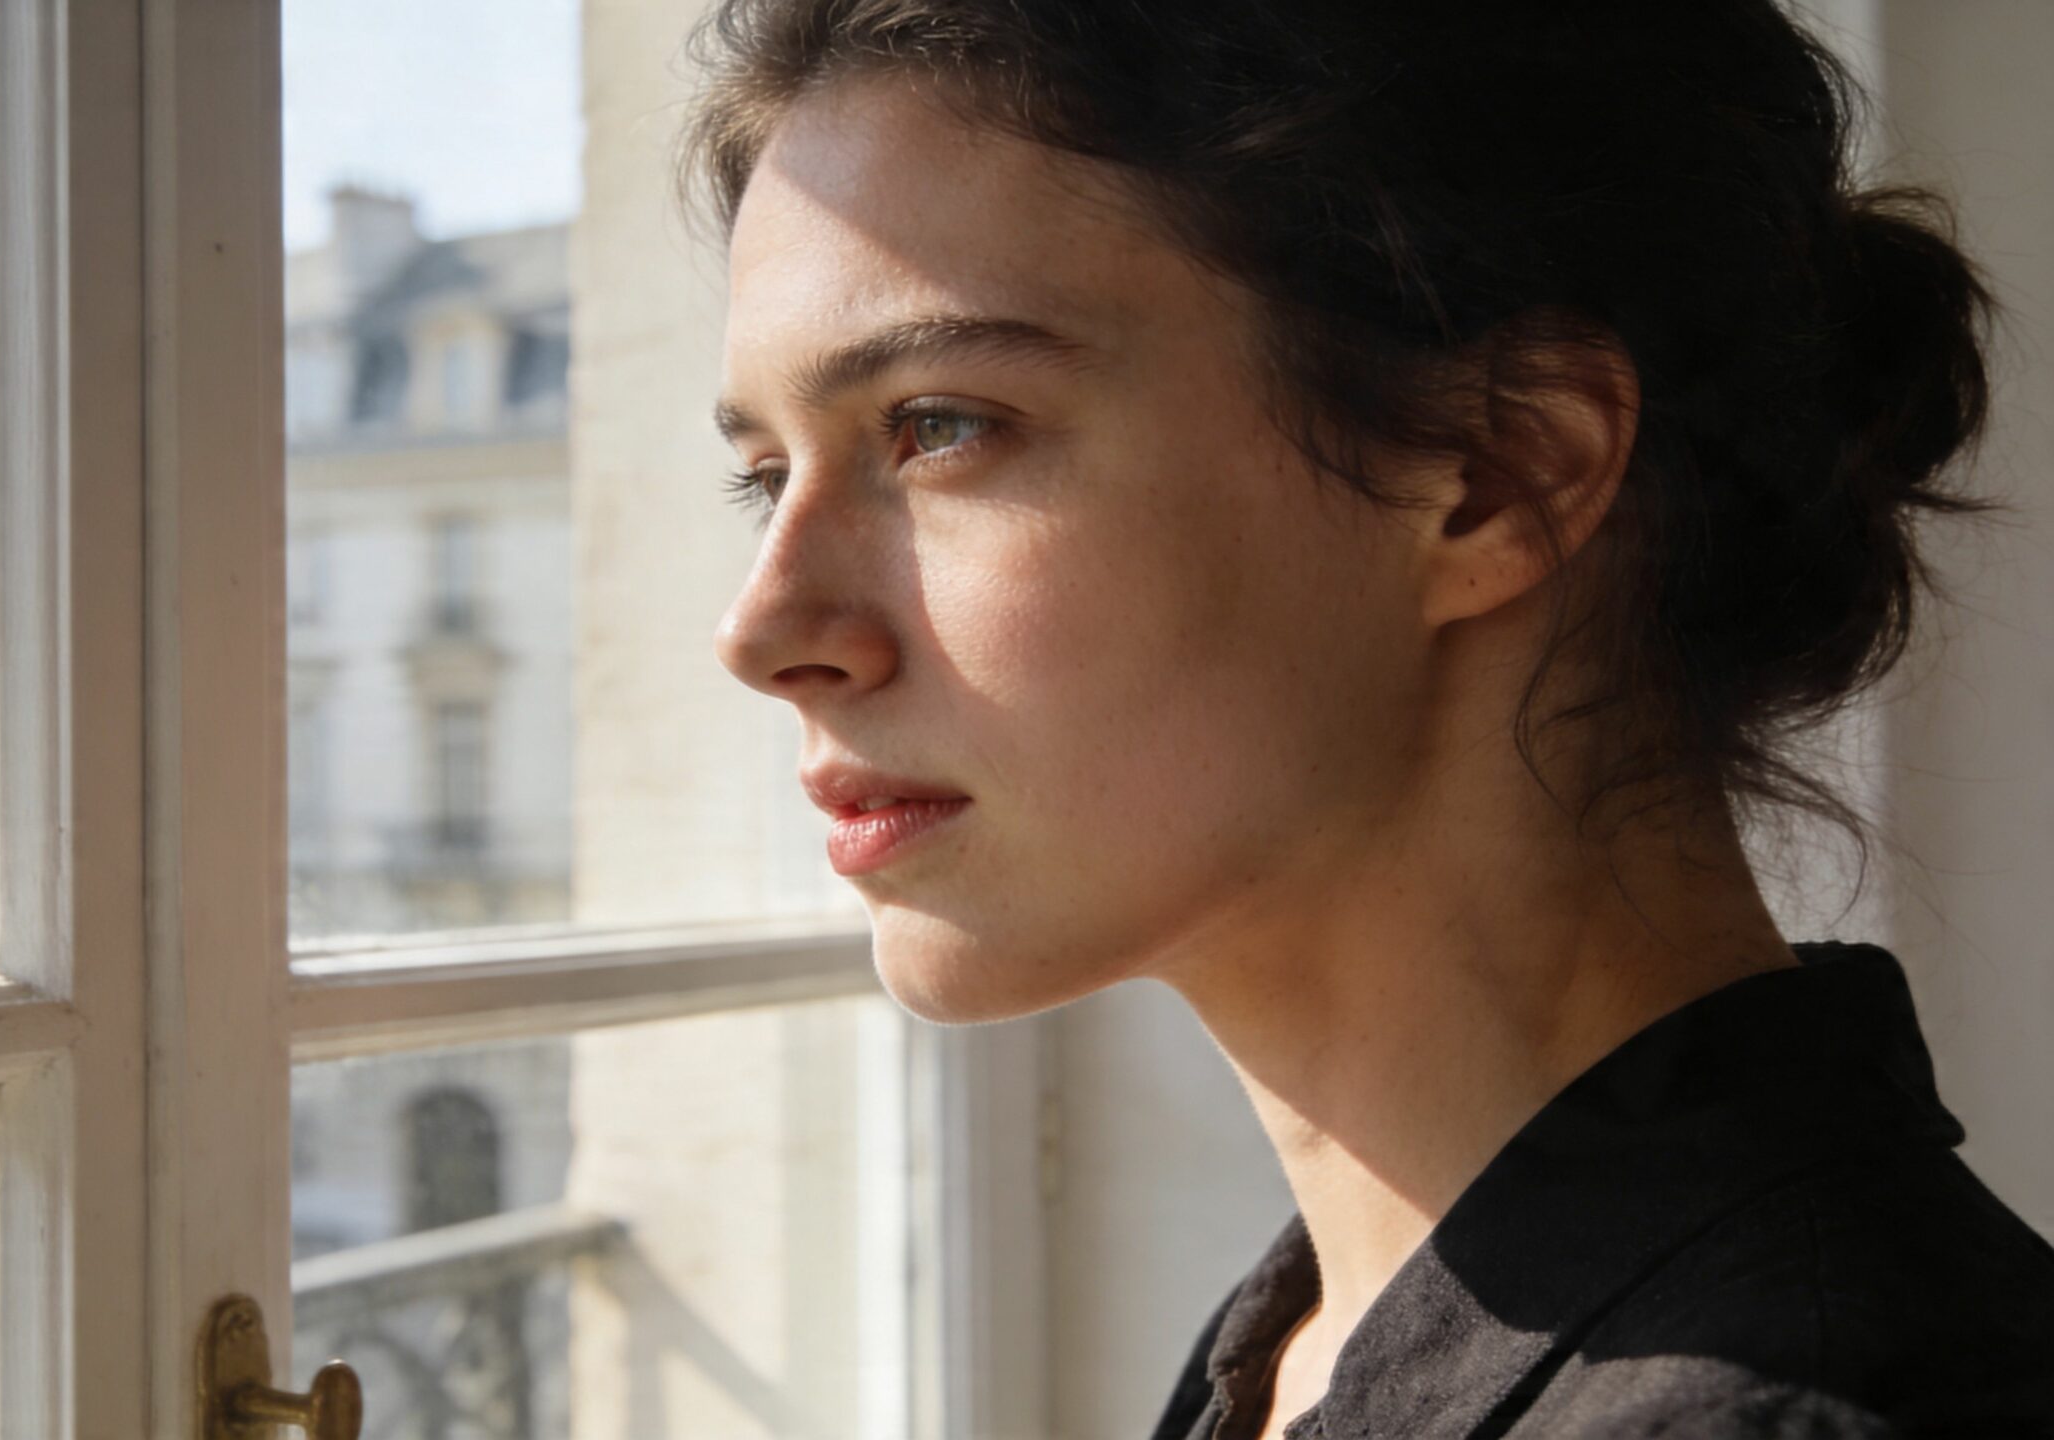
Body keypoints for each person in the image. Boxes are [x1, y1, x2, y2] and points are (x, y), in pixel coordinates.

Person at [683, 0, 2054, 1435]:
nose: (760, 631)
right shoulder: (1305, 1346)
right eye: (765, 477)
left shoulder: (1774, 1408)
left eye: (941, 426)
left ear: (1498, 473)